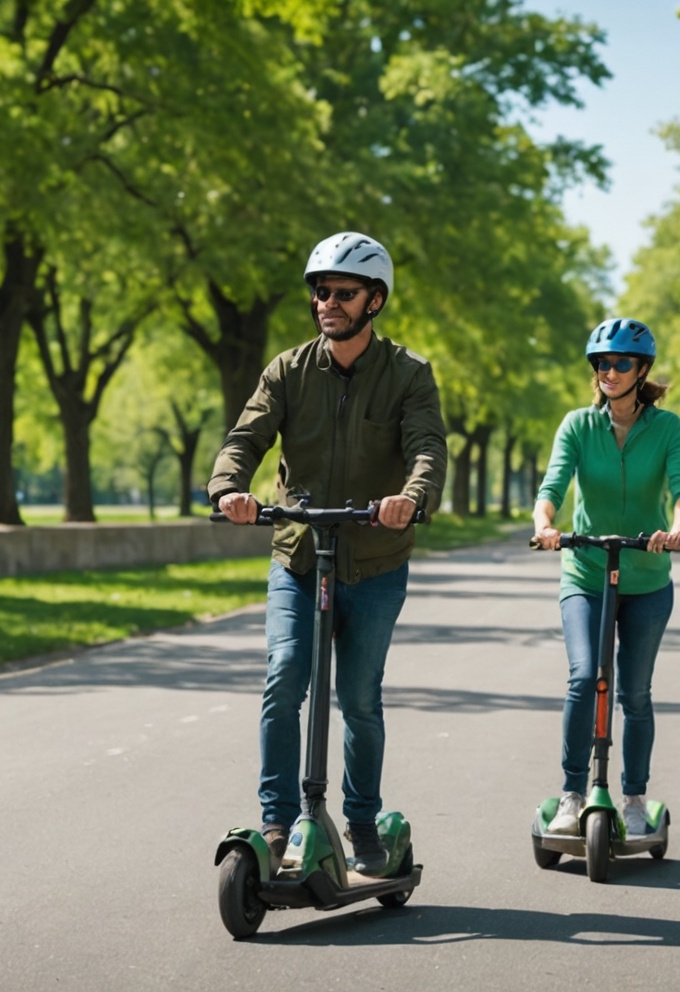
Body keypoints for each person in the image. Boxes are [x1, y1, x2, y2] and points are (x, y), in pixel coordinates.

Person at [208, 232, 448, 874]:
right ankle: (278, 822)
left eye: (343, 293)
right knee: (285, 678)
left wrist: (412, 494)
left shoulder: (408, 374)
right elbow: (245, 437)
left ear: (374, 301)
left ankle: (363, 823)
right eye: (321, 291)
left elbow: (428, 448)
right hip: (298, 555)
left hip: (374, 560)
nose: (328, 303)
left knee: (361, 699)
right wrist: (229, 485)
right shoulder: (288, 370)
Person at [531, 317, 680, 838]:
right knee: (585, 678)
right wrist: (545, 524)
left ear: (640, 369)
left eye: (621, 362)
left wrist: (678, 529)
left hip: (647, 577)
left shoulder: (667, 428)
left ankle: (633, 798)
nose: (609, 371)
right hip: (585, 572)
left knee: (635, 694)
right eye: (602, 363)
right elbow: (554, 482)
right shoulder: (578, 425)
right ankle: (572, 793)